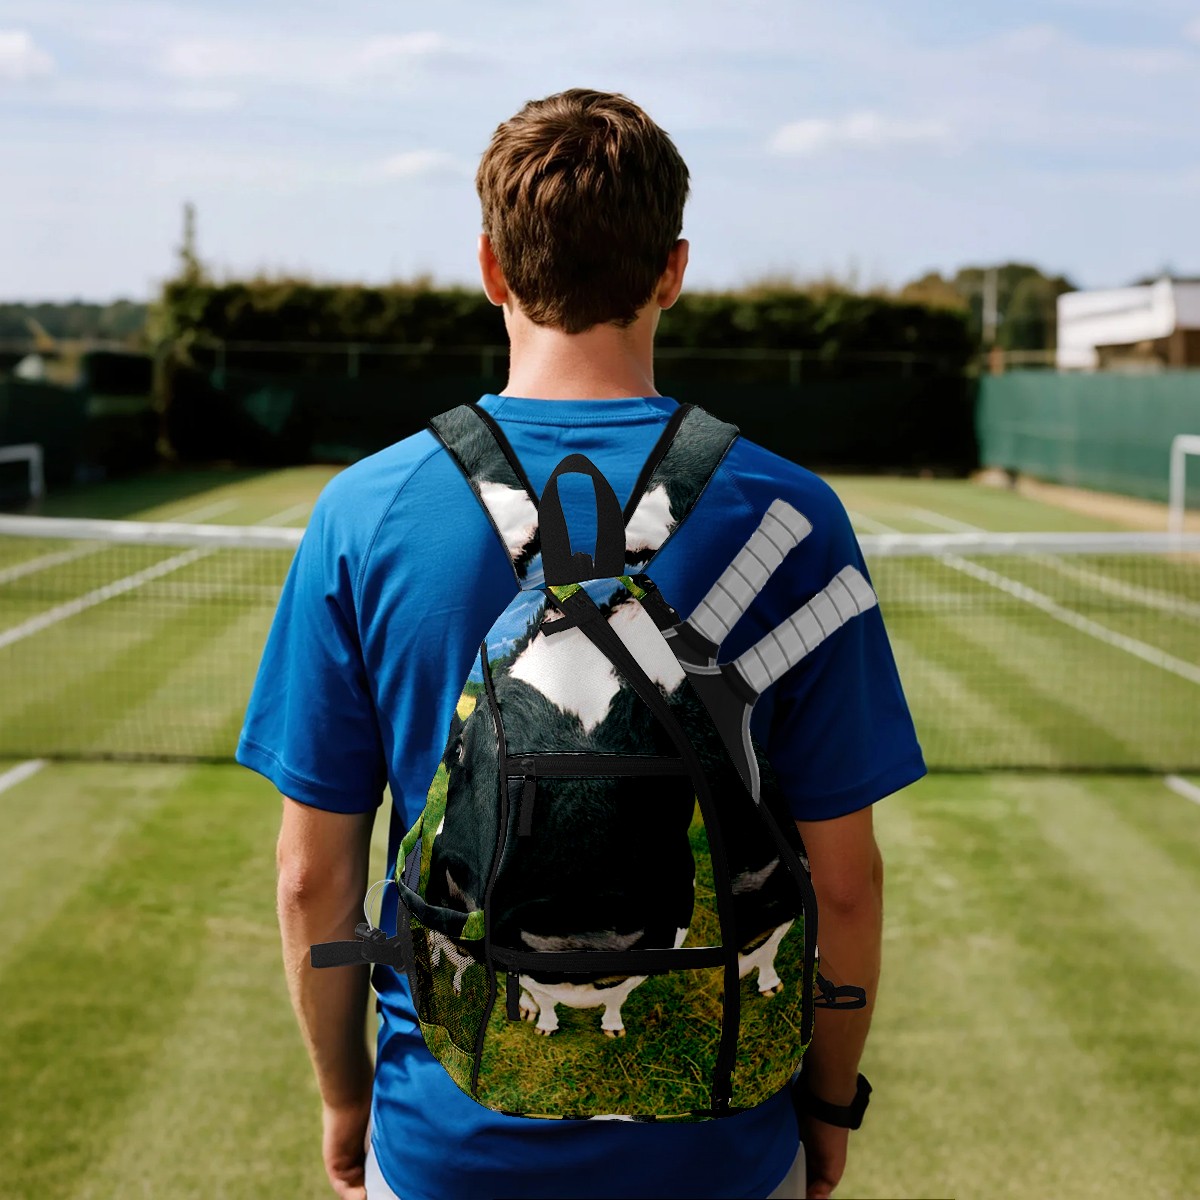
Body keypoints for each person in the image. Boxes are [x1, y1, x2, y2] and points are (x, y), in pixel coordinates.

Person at [238, 88, 925, 1200]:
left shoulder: (363, 513)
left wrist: (347, 1099)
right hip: (724, 1153)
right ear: (674, 271)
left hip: (445, 1145)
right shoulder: (794, 515)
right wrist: (828, 1102)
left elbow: (311, 875)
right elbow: (845, 888)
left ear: (491, 268)